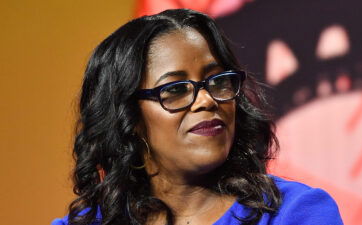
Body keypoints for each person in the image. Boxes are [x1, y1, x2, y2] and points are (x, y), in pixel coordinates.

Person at [52, 9, 343, 225]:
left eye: (218, 81)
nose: (207, 99)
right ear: (129, 117)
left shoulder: (296, 212)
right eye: (176, 89)